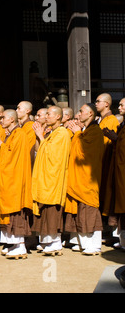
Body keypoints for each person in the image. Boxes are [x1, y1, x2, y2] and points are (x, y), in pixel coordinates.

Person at [0, 109, 33, 259]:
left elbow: (13, 156)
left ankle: (20, 246)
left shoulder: (19, 134)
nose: (1, 119)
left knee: (15, 210)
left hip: (15, 180)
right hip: (8, 179)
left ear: (12, 120)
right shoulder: (12, 134)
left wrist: (0, 143)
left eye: (3, 117)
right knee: (7, 210)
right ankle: (12, 244)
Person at [31, 106, 71, 256]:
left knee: (52, 211)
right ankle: (49, 242)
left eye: (49, 114)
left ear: (58, 117)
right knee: (45, 211)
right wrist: (39, 136)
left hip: (54, 178)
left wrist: (41, 136)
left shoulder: (62, 133)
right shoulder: (52, 133)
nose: (46, 117)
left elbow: (53, 155)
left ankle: (55, 243)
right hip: (46, 177)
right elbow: (39, 150)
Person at [65, 103, 104, 255]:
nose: (79, 114)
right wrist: (78, 133)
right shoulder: (86, 131)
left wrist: (77, 133)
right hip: (80, 177)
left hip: (88, 178)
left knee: (90, 210)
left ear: (90, 114)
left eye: (81, 111)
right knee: (82, 211)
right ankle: (85, 243)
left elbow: (85, 153)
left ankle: (94, 245)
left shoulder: (95, 132)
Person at [95, 93, 120, 238]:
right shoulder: (99, 120)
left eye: (98, 101)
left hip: (106, 161)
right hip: (98, 162)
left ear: (106, 104)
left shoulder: (112, 120)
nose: (96, 103)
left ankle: (112, 232)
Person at [102, 98, 125, 250]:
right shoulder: (122, 125)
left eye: (123, 104)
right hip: (119, 169)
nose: (120, 106)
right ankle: (123, 240)